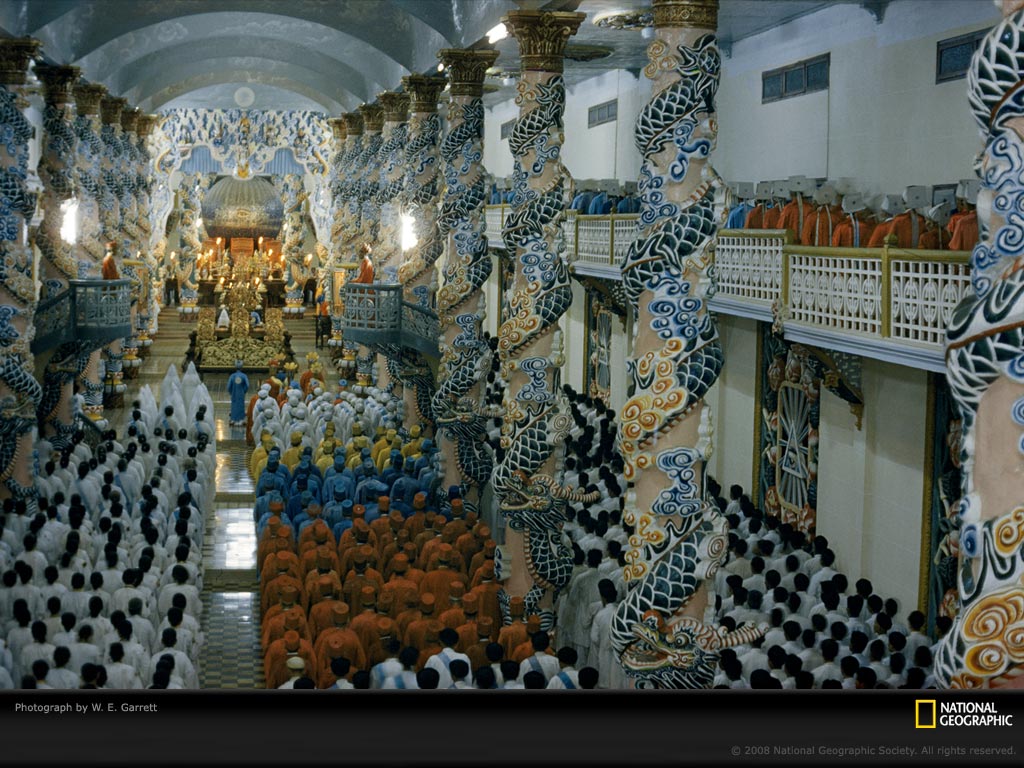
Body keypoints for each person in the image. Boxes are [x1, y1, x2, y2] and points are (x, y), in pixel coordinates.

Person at [228, 361, 250, 427]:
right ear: (242, 367)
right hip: (241, 394)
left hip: (234, 393)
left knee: (234, 405)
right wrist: (243, 391)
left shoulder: (232, 376)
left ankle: (233, 419)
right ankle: (241, 419)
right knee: (241, 405)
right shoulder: (244, 376)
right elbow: (247, 385)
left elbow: (228, 386)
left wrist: (231, 392)